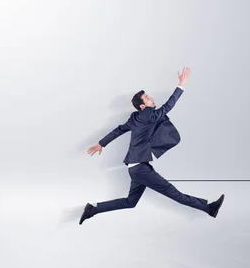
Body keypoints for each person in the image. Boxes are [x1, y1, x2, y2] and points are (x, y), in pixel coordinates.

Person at [80, 67, 224, 225]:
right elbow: (168, 106)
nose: (151, 98)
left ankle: (93, 209)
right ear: (143, 106)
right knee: (174, 193)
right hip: (140, 169)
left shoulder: (135, 118)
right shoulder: (147, 114)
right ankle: (209, 208)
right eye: (147, 98)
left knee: (130, 202)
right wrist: (181, 84)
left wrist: (101, 143)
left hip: (136, 168)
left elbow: (119, 130)